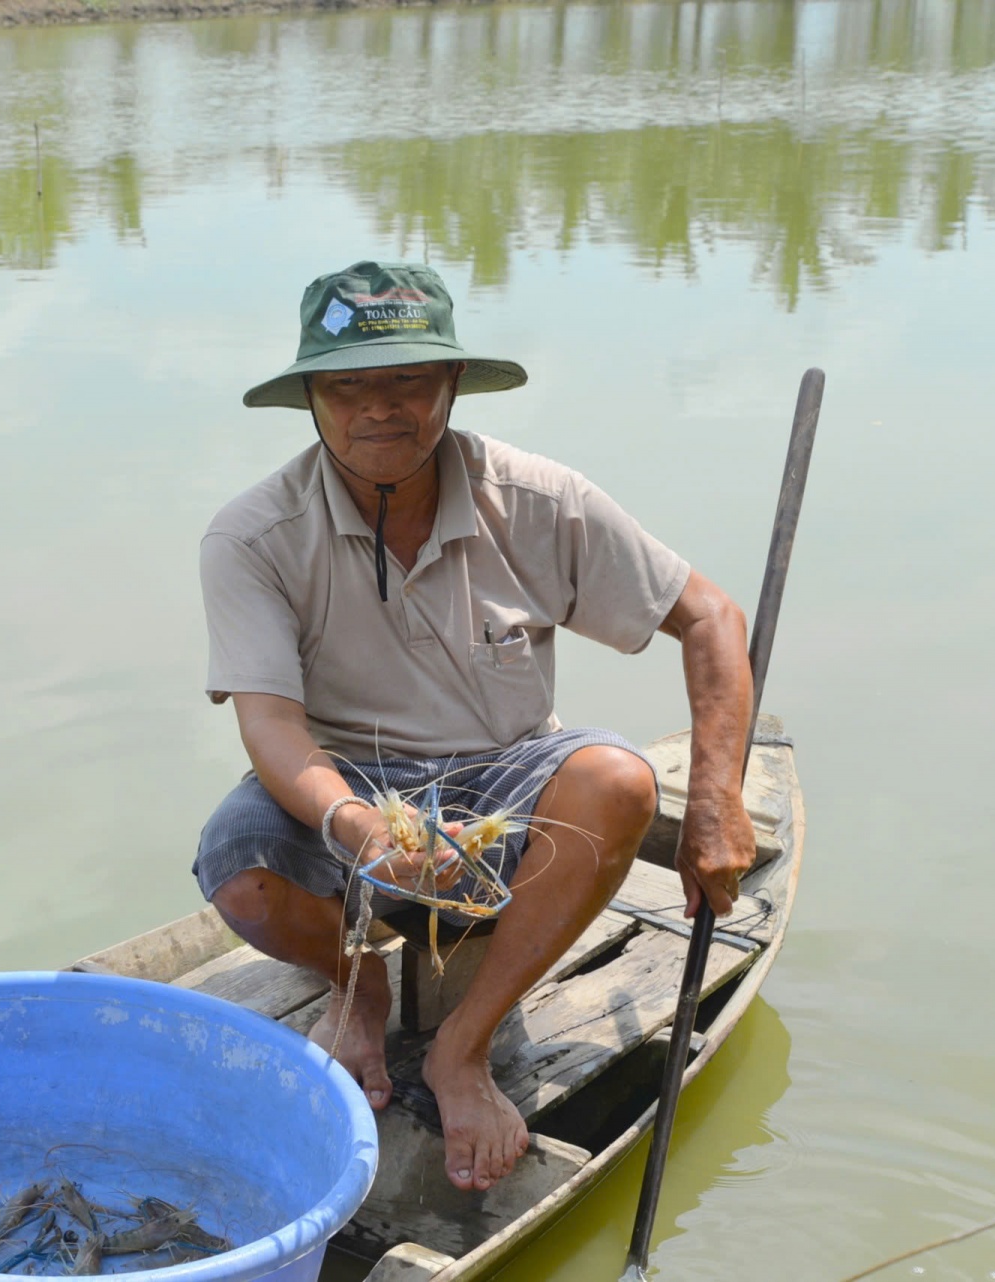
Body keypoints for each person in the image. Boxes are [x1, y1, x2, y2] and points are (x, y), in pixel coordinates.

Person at [193, 260, 756, 1195]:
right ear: (311, 400)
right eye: (348, 386)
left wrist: (717, 801)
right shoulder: (252, 535)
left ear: (451, 383)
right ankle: (357, 986)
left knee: (620, 780)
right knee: (240, 869)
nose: (381, 408)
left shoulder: (537, 497)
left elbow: (710, 617)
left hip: (506, 769)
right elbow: (273, 726)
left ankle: (463, 1046)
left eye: (409, 379)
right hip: (348, 777)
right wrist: (360, 826)